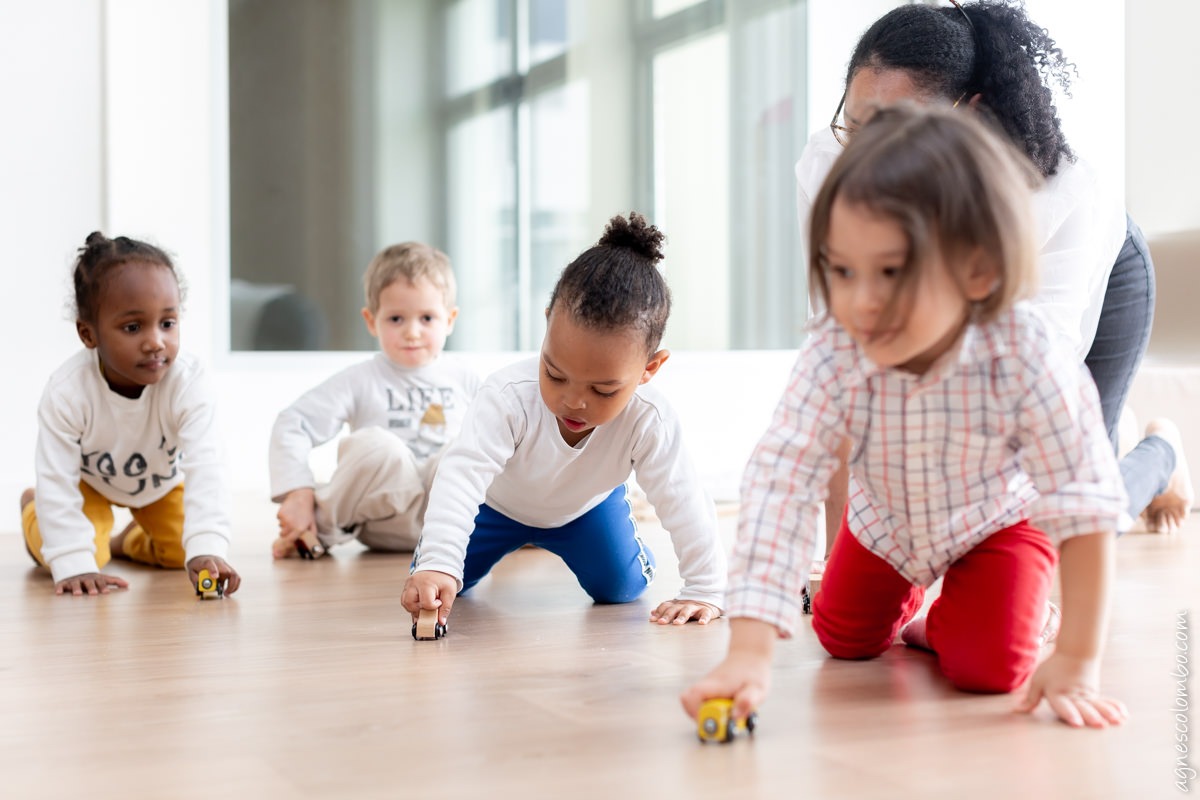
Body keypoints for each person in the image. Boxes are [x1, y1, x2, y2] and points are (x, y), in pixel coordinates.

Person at [683, 105, 1129, 730]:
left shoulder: (1028, 352)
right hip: (888, 518)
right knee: (842, 639)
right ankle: (919, 598)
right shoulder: (836, 350)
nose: (862, 302)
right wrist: (749, 653)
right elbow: (781, 483)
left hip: (995, 518)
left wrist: (1079, 659)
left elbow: (1083, 498)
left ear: (978, 268)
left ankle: (961, 617)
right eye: (842, 270)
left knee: (991, 668)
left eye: (891, 272)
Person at [798, 0, 1190, 552]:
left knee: (1071, 523)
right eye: (858, 128)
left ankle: (1162, 451)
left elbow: (1025, 391)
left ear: (971, 115)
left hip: (1104, 271)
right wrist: (840, 551)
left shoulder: (1057, 193)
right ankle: (1116, 429)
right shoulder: (826, 168)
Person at [402, 212, 725, 628]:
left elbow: (684, 498)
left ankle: (630, 546)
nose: (573, 401)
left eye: (603, 390)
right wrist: (439, 561)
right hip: (495, 506)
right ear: (547, 323)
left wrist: (706, 588)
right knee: (447, 582)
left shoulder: (650, 419)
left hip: (584, 511)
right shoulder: (507, 396)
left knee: (621, 590)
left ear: (650, 368)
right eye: (554, 373)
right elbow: (461, 477)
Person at [20, 232, 240, 596]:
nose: (156, 341)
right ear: (88, 334)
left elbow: (208, 467)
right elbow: (57, 477)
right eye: (133, 327)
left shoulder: (188, 382)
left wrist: (208, 548)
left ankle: (129, 540)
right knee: (84, 553)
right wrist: (73, 563)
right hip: (88, 484)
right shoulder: (67, 392)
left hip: (159, 486)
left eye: (167, 323)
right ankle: (32, 509)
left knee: (183, 551)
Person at [269, 242, 480, 557]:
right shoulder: (360, 379)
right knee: (380, 448)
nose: (412, 332)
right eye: (396, 319)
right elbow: (293, 423)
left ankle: (514, 528)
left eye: (427, 318)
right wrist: (297, 491)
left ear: (449, 319)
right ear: (371, 321)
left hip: (450, 525)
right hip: (380, 516)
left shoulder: (465, 379)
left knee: (466, 452)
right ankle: (311, 531)